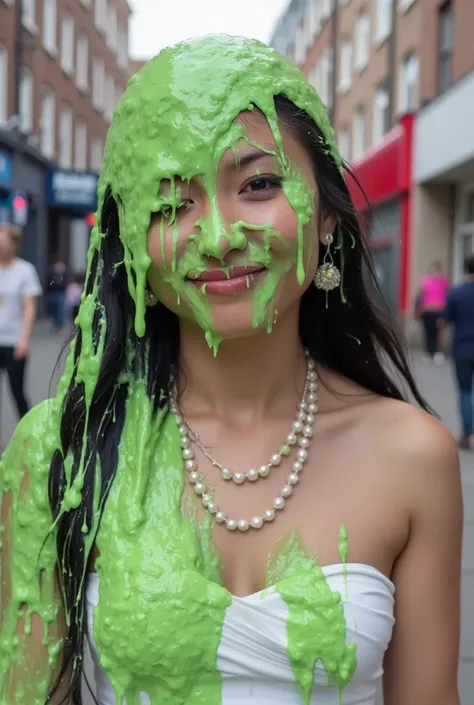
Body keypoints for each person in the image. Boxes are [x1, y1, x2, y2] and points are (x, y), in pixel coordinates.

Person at [0, 36, 462, 705]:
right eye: (170, 201)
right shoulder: (56, 452)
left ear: (327, 213)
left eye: (258, 184)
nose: (217, 236)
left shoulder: (414, 454)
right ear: (133, 242)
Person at [0, 223, 42, 420]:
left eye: (4, 242)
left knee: (17, 392)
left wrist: (24, 340)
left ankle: (26, 437)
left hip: (14, 341)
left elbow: (30, 307)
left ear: (14, 244)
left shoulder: (25, 271)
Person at [441, 254, 474, 449]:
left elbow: (445, 320)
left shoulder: (456, 293)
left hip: (462, 348)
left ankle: (468, 435)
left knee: (464, 391)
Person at [417, 261, 450, 364]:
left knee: (438, 333)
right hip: (427, 310)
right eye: (433, 270)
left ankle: (437, 352)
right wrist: (418, 309)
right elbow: (421, 296)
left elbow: (447, 295)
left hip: (439, 310)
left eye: (437, 270)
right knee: (428, 332)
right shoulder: (425, 281)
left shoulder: (444, 282)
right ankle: (428, 352)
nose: (435, 272)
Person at [45, 258, 70, 332]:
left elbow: (67, 279)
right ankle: (55, 324)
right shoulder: (51, 272)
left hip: (61, 293)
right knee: (54, 309)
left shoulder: (65, 273)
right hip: (52, 292)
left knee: (60, 309)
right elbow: (48, 282)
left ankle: (59, 325)